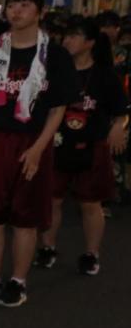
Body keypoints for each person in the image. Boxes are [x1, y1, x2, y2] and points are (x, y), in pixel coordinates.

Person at [0, 0, 78, 307]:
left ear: (40, 12)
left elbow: (58, 109)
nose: (16, 11)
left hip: (33, 141)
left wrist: (39, 149)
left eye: (25, 5)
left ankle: (18, 280)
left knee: (25, 217)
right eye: (12, 5)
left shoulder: (54, 55)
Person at [36, 17, 128, 275]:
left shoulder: (105, 75)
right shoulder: (53, 71)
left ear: (89, 42)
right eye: (66, 35)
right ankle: (47, 248)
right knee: (52, 200)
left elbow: (121, 109)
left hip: (92, 145)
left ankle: (91, 253)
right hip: (57, 143)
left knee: (90, 204)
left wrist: (119, 126)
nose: (67, 40)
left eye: (74, 36)